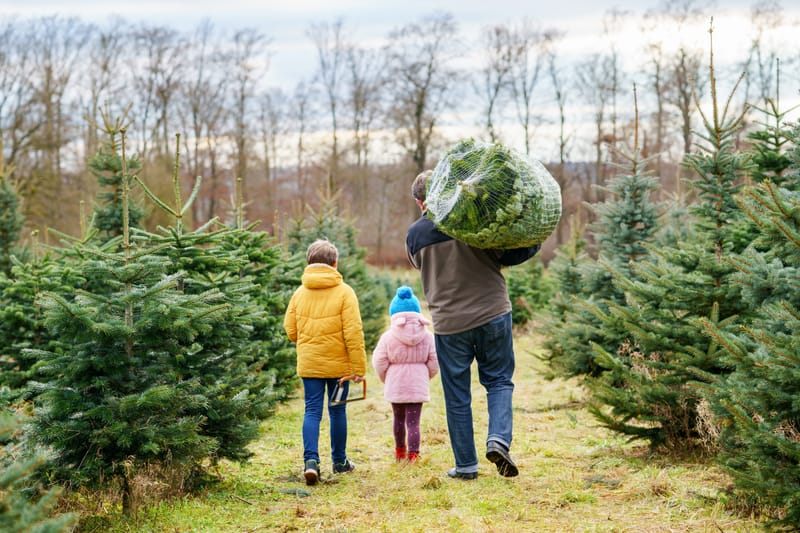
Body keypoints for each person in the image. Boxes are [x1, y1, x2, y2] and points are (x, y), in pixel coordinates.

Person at [405, 170, 540, 480]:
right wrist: (534, 241)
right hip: (492, 312)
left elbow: (417, 264)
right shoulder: (472, 220)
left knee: (457, 395)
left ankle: (466, 465)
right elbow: (510, 253)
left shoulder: (414, 235)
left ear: (419, 201)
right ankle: (498, 440)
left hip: (450, 324)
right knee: (499, 381)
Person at [283, 238, 367, 486]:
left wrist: (308, 341)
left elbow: (290, 330)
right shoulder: (345, 292)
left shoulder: (299, 293)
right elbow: (354, 332)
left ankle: (311, 462)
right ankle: (340, 462)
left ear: (309, 262)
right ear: (335, 262)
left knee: (312, 410)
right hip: (340, 368)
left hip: (310, 365)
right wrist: (359, 368)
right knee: (337, 410)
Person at [372, 285, 438, 464]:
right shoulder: (428, 336)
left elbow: (379, 361)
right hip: (418, 384)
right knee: (414, 421)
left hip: (396, 383)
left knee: (398, 419)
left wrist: (386, 378)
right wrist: (426, 376)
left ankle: (400, 452)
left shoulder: (388, 337)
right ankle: (414, 456)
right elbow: (435, 361)